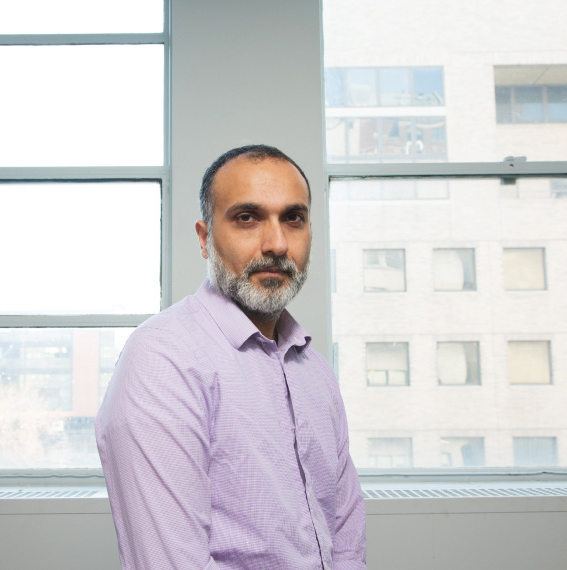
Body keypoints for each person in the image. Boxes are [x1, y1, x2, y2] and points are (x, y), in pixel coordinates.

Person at [95, 145, 366, 570]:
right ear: (205, 239)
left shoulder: (313, 369)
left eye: (293, 218)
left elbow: (346, 546)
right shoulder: (163, 359)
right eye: (247, 218)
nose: (276, 244)